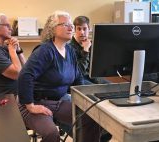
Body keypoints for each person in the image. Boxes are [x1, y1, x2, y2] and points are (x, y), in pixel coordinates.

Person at [17, 11, 101, 142]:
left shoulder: (70, 51)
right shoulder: (45, 50)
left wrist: (89, 100)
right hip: (35, 102)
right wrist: (31, 106)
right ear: (53, 29)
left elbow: (78, 79)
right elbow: (25, 75)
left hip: (57, 102)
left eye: (70, 24)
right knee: (51, 133)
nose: (71, 27)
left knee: (91, 118)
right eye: (65, 24)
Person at [0, 13, 26, 96]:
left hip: (19, 97)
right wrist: (12, 51)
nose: (11, 28)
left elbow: (27, 70)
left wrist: (18, 51)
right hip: (8, 102)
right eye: (7, 25)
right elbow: (17, 74)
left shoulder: (5, 46)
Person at [69, 16, 110, 85]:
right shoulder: (69, 47)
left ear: (89, 29)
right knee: (95, 89)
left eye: (84, 29)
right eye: (79, 29)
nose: (82, 32)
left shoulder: (92, 44)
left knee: (113, 87)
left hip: (93, 77)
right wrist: (85, 50)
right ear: (75, 30)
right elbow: (79, 71)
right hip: (79, 78)